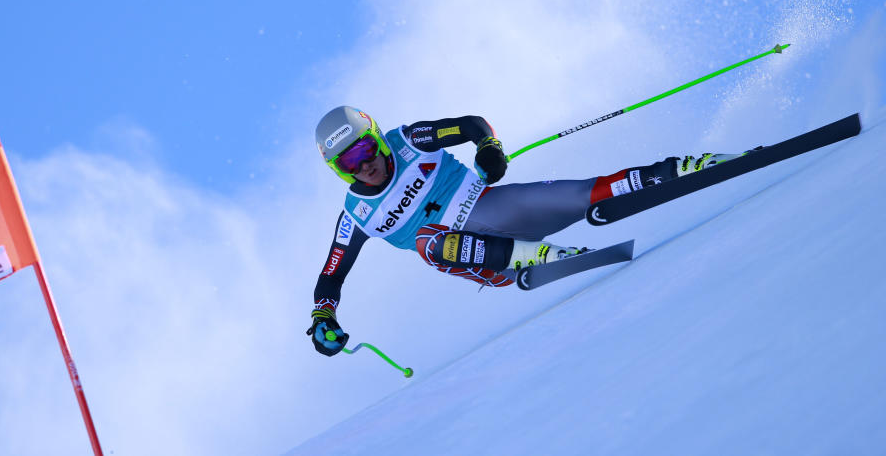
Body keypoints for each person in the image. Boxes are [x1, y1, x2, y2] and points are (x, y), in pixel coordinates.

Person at [307, 106, 739, 356]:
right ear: (339, 172)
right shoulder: (356, 214)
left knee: (585, 192)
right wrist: (323, 315)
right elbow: (332, 275)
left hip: (497, 206)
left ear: (377, 139)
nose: (363, 165)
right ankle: (535, 255)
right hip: (482, 256)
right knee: (429, 244)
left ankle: (687, 168)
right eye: (348, 163)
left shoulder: (410, 141)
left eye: (364, 149)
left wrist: (489, 148)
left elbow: (471, 125)